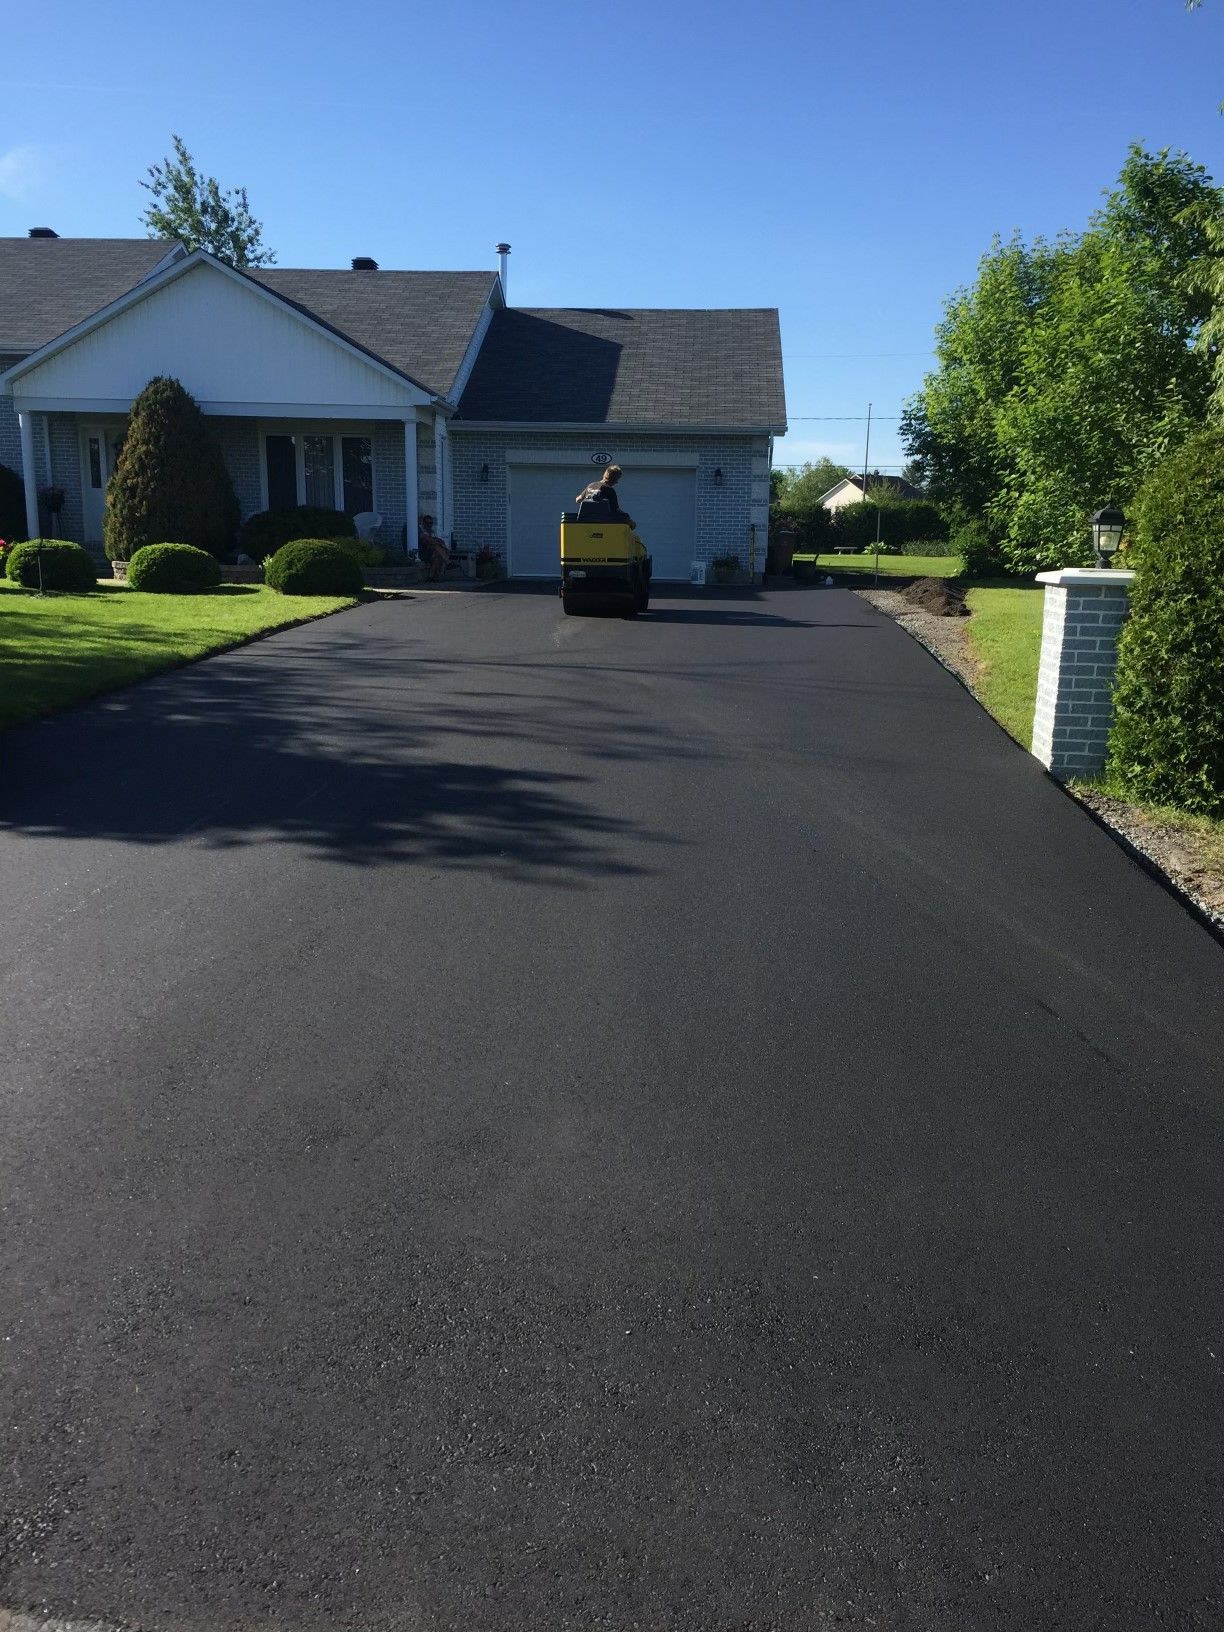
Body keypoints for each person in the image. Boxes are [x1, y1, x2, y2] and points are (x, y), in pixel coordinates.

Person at [575, 464, 635, 529]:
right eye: (617, 479)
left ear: (604, 475)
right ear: (614, 479)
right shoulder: (609, 490)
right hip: (602, 522)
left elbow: (578, 500)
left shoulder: (591, 485)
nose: (617, 482)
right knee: (628, 520)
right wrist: (628, 519)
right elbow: (616, 510)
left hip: (584, 520)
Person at [418, 514, 449, 580]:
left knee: (437, 555)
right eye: (427, 523)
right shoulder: (422, 532)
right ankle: (447, 562)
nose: (429, 525)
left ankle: (432, 576)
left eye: (431, 523)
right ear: (423, 523)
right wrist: (439, 543)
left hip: (431, 552)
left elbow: (436, 540)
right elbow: (430, 541)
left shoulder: (431, 532)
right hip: (422, 553)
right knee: (436, 548)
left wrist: (440, 542)